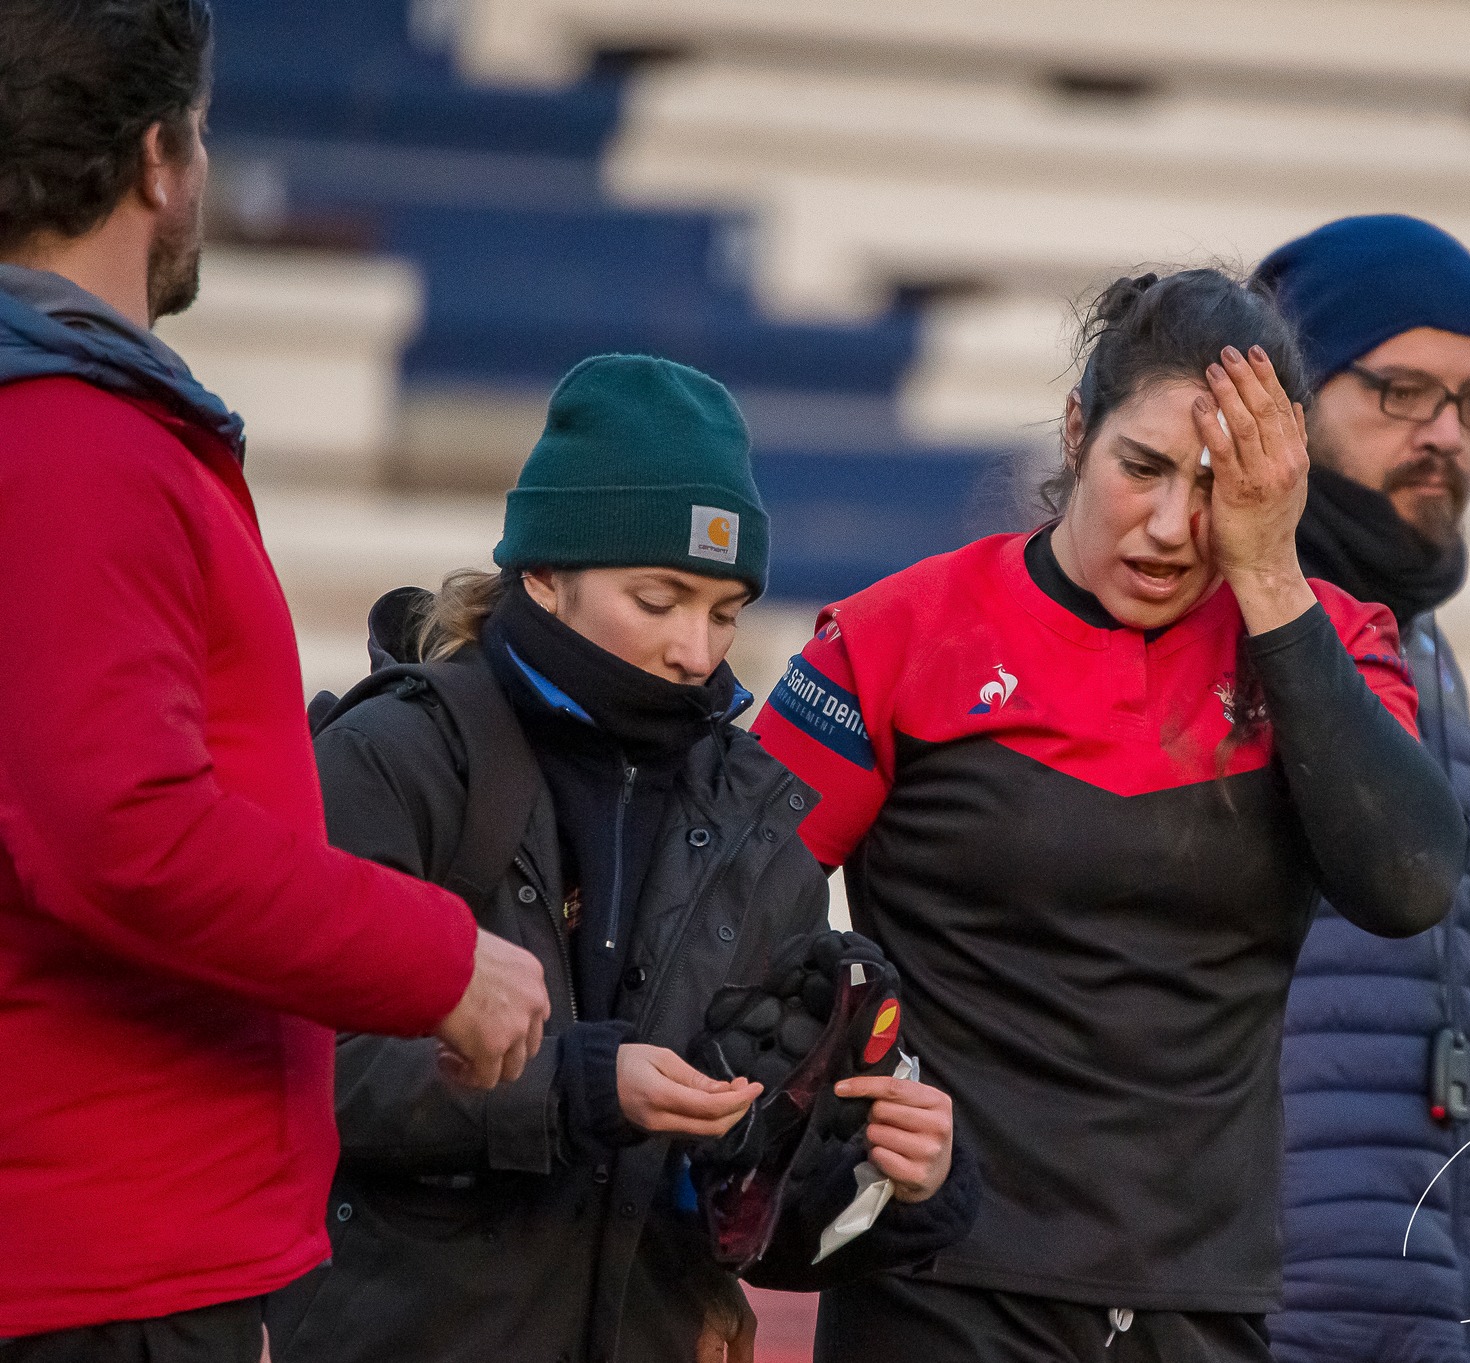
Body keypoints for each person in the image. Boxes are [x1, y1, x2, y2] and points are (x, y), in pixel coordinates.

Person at [752, 268, 1469, 1363]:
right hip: (938, 1289)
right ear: (1076, 431)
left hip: (1205, 1303)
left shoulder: (1328, 637)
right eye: (1140, 468)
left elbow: (1408, 883)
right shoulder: (894, 633)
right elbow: (721, 921)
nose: (1175, 525)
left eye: (1218, 483)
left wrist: (1271, 575)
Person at [0, 1, 552, 1356]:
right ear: (159, 161)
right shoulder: (72, 437)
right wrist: (438, 960)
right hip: (106, 1259)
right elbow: (122, 828)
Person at [268, 355, 977, 1363]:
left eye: (725, 611)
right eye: (659, 599)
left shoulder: (754, 811)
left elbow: (752, 1218)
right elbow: (298, 1069)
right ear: (547, 572)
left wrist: (896, 1177)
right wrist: (575, 1085)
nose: (697, 649)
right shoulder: (394, 758)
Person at [1255, 214, 1470, 1363]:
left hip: (1416, 1293)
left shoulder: (1420, 644)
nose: (1444, 436)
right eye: (1401, 391)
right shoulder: (1224, 618)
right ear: (1292, 395)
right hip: (1259, 1301)